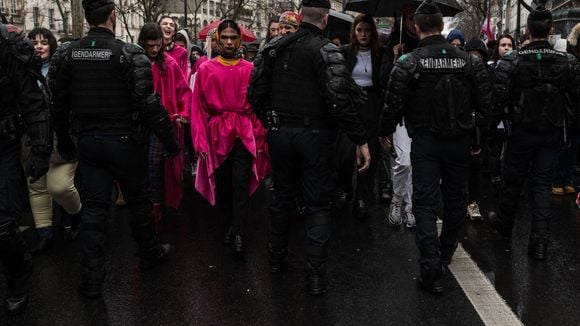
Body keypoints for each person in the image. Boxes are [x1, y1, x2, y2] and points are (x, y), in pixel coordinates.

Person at [49, 0, 179, 298]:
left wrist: (66, 142)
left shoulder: (68, 54)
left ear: (85, 16)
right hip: (125, 142)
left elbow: (58, 104)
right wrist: (170, 142)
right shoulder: (129, 54)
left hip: (90, 143)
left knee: (94, 208)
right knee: (139, 202)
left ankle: (91, 277)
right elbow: (149, 104)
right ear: (113, 16)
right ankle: (149, 254)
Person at [248, 0, 371, 295]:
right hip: (313, 134)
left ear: (301, 15)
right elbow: (340, 99)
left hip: (282, 133)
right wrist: (359, 138)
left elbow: (254, 93)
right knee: (317, 202)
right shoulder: (326, 50)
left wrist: (273, 121)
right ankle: (314, 274)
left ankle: (276, 259)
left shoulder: (273, 49)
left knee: (282, 195)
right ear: (326, 19)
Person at [382, 0, 491, 293]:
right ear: (442, 26)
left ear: (416, 29)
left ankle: (431, 264)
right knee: (455, 199)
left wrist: (384, 132)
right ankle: (444, 254)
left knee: (425, 202)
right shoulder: (469, 61)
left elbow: (392, 105)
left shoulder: (409, 62)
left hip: (426, 141)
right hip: (458, 141)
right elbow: (487, 107)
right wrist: (478, 139)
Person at [487, 6, 580, 261]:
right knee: (541, 185)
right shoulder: (567, 62)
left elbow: (497, 99)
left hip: (522, 131)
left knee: (513, 180)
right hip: (551, 132)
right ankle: (539, 243)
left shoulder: (513, 60)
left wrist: (491, 132)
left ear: (527, 29)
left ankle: (504, 226)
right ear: (551, 30)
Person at [191, 20, 270, 258]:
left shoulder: (251, 69)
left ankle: (238, 232)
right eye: (224, 37)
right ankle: (228, 225)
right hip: (217, 134)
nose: (228, 42)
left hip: (244, 133)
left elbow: (258, 107)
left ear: (239, 40)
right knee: (223, 184)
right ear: (217, 40)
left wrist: (259, 138)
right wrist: (200, 141)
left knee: (240, 183)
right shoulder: (205, 69)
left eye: (232, 38)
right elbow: (198, 109)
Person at [0, 20, 50, 315]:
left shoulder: (7, 43)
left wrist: (41, 150)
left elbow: (34, 102)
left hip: (5, 145)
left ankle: (17, 276)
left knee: (3, 224)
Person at [26, 28, 82, 253]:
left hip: (62, 137)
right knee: (37, 187)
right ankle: (44, 234)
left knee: (59, 186)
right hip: (31, 138)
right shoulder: (23, 70)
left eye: (43, 42)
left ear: (51, 44)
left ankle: (78, 215)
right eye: (33, 43)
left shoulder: (62, 69)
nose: (39, 46)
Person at [138, 23, 191, 229]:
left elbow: (184, 91)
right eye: (150, 45)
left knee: (155, 168)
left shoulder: (169, 64)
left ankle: (157, 211)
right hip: (140, 124)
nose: (153, 49)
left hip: (162, 124)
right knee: (142, 168)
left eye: (157, 44)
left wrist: (184, 114)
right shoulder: (135, 62)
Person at [337, 13, 385, 220]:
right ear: (354, 32)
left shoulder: (380, 53)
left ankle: (362, 196)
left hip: (371, 106)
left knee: (370, 154)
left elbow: (384, 80)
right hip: (349, 106)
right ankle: (345, 187)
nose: (363, 34)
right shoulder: (344, 52)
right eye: (359, 30)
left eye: (367, 30)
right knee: (346, 154)